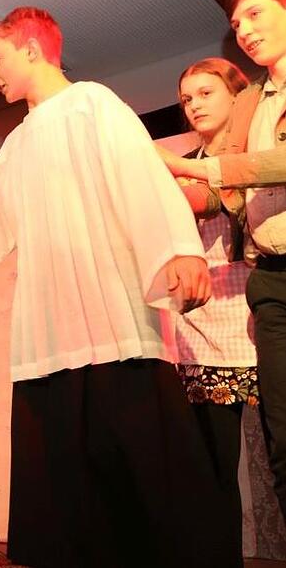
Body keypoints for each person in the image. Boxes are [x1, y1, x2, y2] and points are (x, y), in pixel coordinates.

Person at [0, 7, 238, 568]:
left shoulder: (94, 104)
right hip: (50, 336)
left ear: (32, 49)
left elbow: (145, 177)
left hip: (114, 323)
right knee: (67, 493)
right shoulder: (17, 145)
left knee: (148, 479)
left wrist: (180, 248)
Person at [159, 0, 286, 524]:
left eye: (256, 14)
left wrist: (188, 172)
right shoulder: (249, 111)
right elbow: (214, 197)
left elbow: (236, 180)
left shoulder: (239, 136)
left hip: (244, 301)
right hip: (248, 294)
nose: (245, 31)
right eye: (237, 24)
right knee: (253, 450)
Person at [174, 56, 258, 559]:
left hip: (263, 309)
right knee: (212, 462)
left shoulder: (260, 155)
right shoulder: (183, 161)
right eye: (187, 98)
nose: (194, 105)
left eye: (206, 93)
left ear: (237, 95)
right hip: (205, 323)